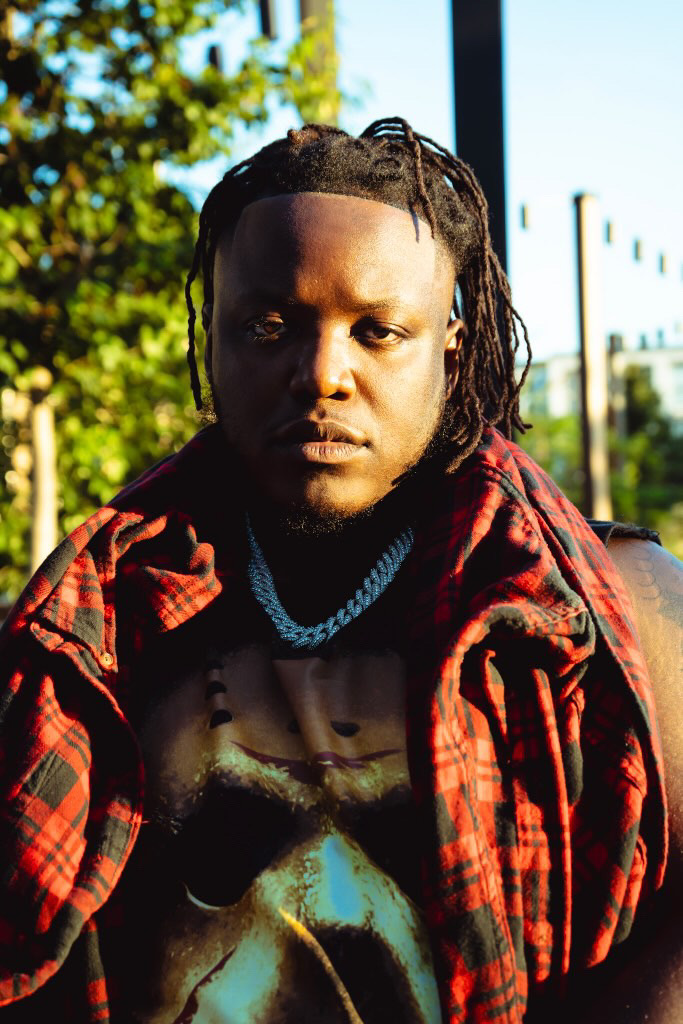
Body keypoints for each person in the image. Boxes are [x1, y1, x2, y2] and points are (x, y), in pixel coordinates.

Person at [0, 118, 680, 1024]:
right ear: (212, 337)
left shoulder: (614, 606)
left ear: (449, 339)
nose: (322, 373)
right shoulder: (91, 625)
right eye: (270, 325)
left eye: (377, 331)